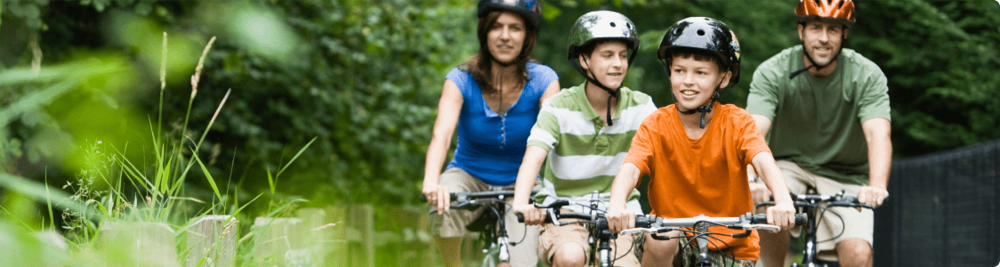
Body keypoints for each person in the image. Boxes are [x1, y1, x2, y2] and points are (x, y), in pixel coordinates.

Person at [603, 17, 797, 267]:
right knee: (663, 236)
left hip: (733, 247)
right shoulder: (656, 124)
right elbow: (630, 169)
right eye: (679, 70)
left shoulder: (738, 122)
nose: (688, 81)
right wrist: (617, 204)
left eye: (701, 73)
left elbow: (763, 161)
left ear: (724, 79)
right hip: (676, 241)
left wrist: (782, 201)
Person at [746, 1, 891, 266]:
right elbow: (754, 131)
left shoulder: (866, 74)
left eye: (833, 29)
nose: (824, 39)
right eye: (815, 28)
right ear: (801, 31)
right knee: (769, 211)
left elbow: (877, 134)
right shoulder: (773, 71)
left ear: (844, 34)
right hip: (788, 168)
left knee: (859, 255)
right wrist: (752, 178)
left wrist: (877, 185)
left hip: (845, 173)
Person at [510, 10, 656, 267]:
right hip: (565, 210)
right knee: (570, 257)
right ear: (584, 60)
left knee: (624, 265)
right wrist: (522, 203)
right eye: (607, 55)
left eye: (623, 56)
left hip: (620, 211)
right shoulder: (558, 107)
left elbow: (672, 151)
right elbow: (532, 160)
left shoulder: (642, 107)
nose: (618, 64)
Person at [420, 1, 560, 266]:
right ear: (484, 32)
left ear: (528, 36)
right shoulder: (459, 79)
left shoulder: (544, 80)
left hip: (523, 184)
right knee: (443, 202)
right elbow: (442, 134)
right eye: (496, 26)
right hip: (468, 174)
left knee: (522, 261)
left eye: (515, 28)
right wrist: (431, 181)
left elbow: (553, 139)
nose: (505, 36)